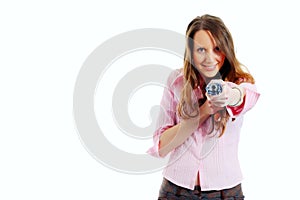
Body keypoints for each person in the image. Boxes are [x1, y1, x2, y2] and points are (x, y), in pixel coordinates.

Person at [147, 14, 260, 199]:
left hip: (225, 192)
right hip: (175, 190)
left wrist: (230, 94)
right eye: (201, 49)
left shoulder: (239, 82)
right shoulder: (176, 81)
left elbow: (246, 96)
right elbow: (162, 146)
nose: (210, 58)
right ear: (190, 52)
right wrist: (204, 111)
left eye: (217, 48)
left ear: (227, 49)